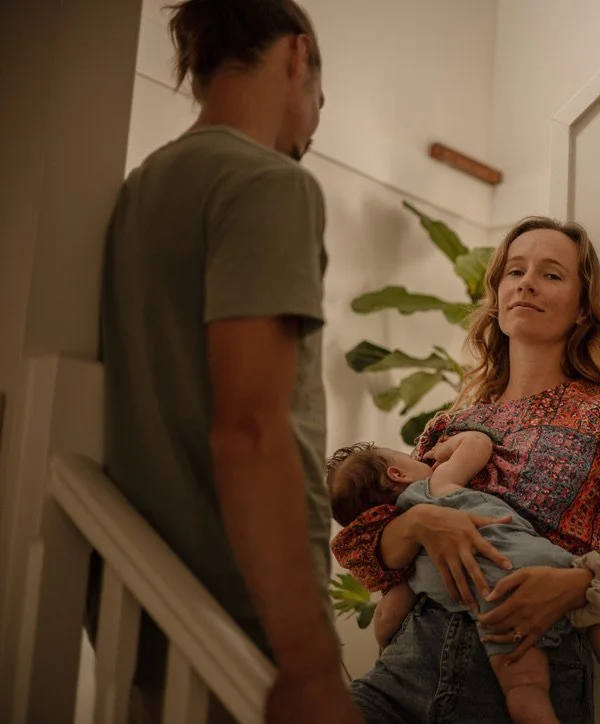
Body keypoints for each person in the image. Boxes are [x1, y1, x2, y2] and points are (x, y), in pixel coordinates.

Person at [332, 217, 600, 723]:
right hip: (408, 669)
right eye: (515, 271)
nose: (527, 282)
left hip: (529, 675)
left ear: (581, 309)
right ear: (497, 295)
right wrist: (421, 522)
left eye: (551, 275)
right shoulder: (448, 425)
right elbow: (377, 554)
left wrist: (578, 585)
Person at [96, 1, 361, 722]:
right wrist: (309, 668)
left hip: (144, 606)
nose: (312, 128)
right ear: (297, 56)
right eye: (319, 104)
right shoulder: (270, 184)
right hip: (248, 622)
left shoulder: (143, 186)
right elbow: (247, 425)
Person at [326, 432, 600, 722]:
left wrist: (383, 646)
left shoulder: (411, 553)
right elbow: (478, 445)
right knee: (599, 608)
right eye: (410, 458)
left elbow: (387, 614)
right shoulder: (435, 485)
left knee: (524, 687)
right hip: (541, 563)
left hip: (491, 609)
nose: (421, 457)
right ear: (398, 474)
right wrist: (446, 448)